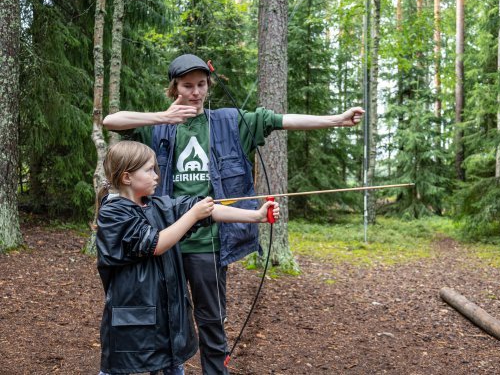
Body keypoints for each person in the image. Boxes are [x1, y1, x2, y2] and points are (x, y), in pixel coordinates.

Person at [103, 53, 364, 374]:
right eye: (187, 86)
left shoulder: (228, 121)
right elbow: (110, 121)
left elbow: (279, 120)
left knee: (211, 321)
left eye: (201, 85)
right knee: (162, 319)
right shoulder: (156, 127)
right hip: (164, 244)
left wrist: (336, 119)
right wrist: (161, 117)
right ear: (174, 89)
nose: (196, 92)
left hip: (207, 244)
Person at [95, 141, 279, 375]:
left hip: (168, 315)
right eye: (149, 170)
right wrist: (192, 215)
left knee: (172, 364)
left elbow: (207, 209)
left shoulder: (157, 205)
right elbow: (155, 244)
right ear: (127, 177)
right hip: (133, 317)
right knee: (117, 369)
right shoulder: (113, 212)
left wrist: (257, 216)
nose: (156, 176)